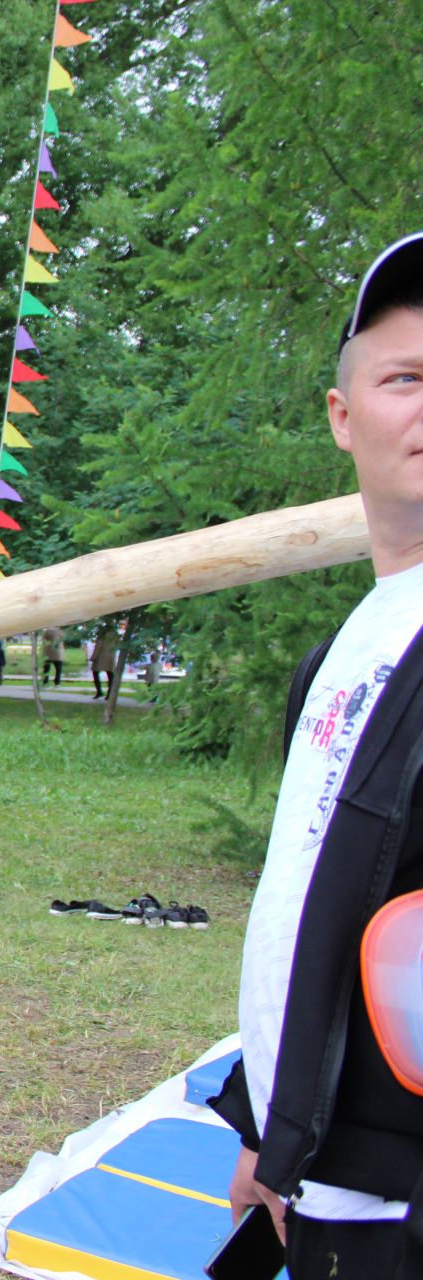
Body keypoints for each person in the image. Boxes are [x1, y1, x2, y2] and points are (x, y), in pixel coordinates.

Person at [210, 233, 423, 1274]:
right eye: (407, 377)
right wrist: (267, 1121)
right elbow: (306, 902)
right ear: (345, 417)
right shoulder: (338, 655)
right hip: (325, 1174)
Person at [89, 620, 119, 700]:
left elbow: (98, 646)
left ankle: (99, 691)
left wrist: (93, 656)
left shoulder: (102, 634)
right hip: (111, 656)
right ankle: (110, 693)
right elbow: (118, 644)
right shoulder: (115, 634)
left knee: (95, 673)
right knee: (110, 674)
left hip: (101, 656)